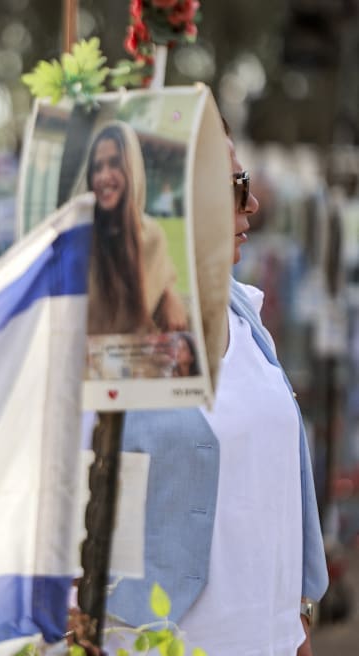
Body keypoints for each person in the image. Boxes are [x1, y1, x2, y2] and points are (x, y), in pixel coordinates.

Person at [96, 127, 328, 656]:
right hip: (169, 642)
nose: (255, 203)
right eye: (236, 185)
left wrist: (296, 618)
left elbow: (272, 482)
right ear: (174, 201)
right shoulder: (121, 336)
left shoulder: (245, 311)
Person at [83, 121, 187, 335]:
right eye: (97, 167)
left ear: (132, 169)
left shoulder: (152, 235)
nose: (103, 177)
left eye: (114, 164)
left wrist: (169, 296)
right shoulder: (81, 238)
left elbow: (164, 292)